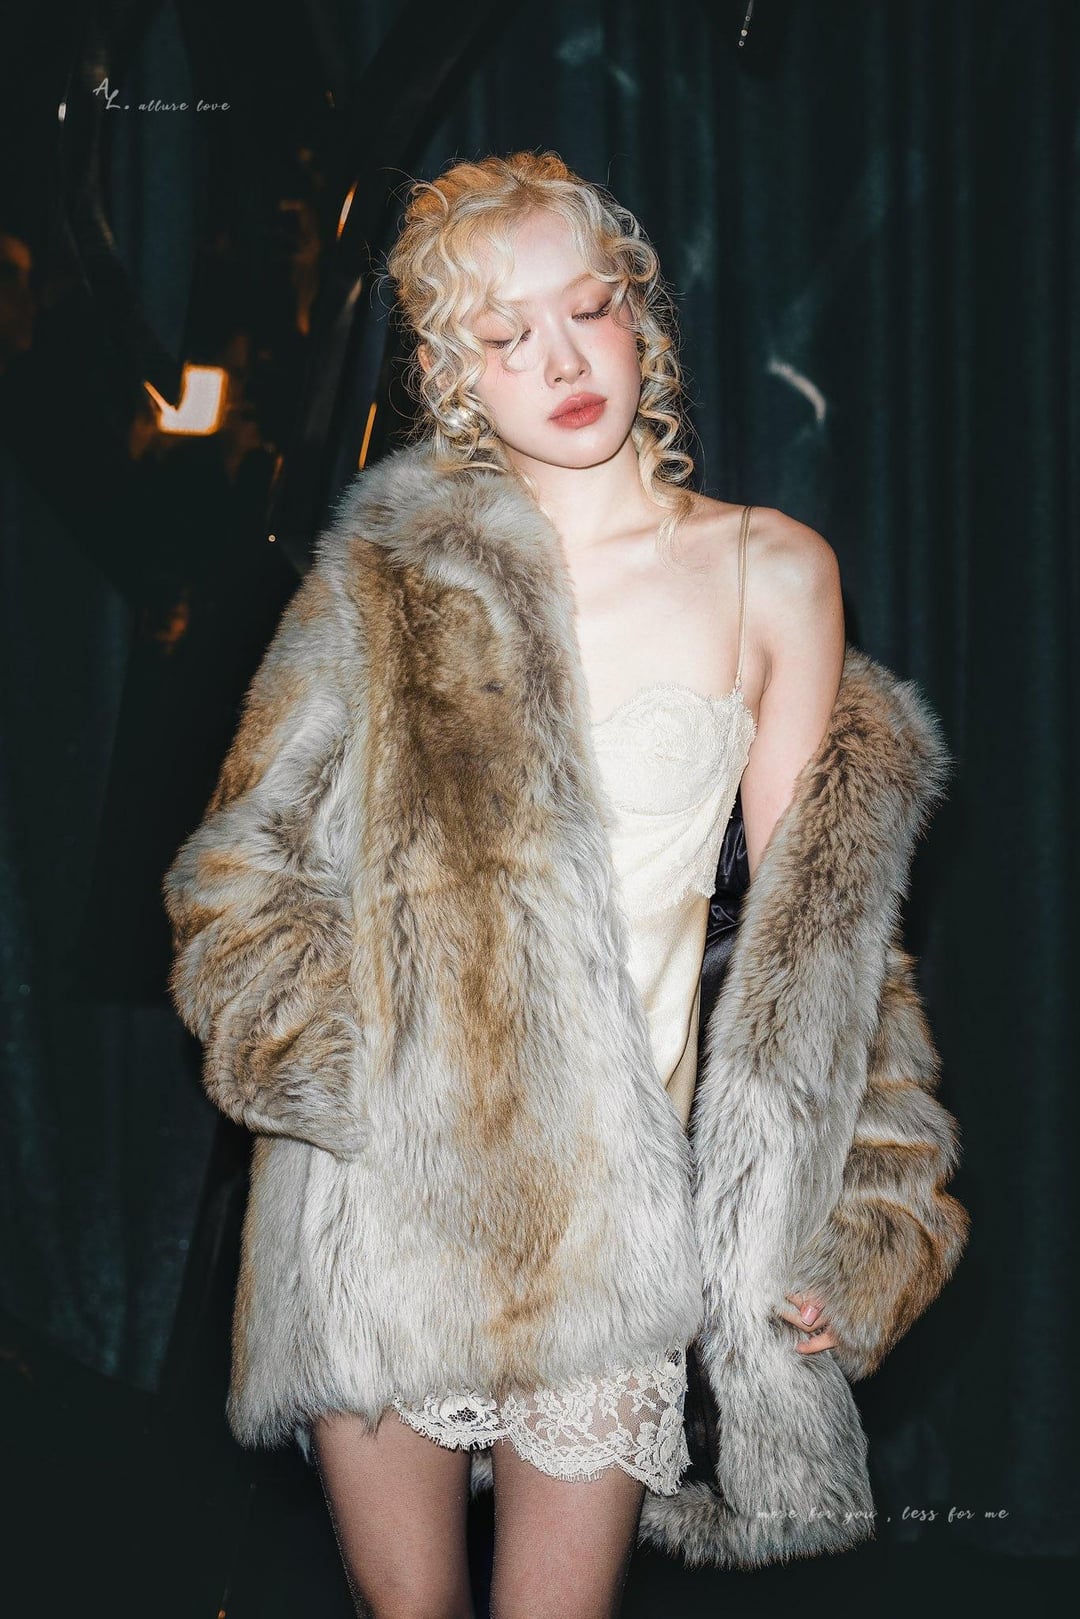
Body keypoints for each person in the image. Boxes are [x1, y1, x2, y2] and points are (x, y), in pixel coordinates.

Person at [163, 151, 967, 1616]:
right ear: (451, 373)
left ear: (640, 316)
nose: (561, 359)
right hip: (384, 1199)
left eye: (588, 309)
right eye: (504, 333)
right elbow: (238, 872)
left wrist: (863, 1208)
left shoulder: (772, 572)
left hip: (616, 1226)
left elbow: (829, 937)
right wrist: (353, 1082)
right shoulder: (391, 578)